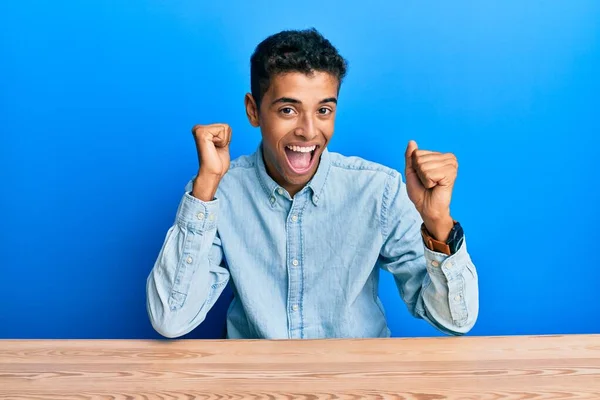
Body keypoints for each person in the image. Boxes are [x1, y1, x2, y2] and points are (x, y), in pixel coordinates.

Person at [146, 28, 479, 339]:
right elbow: (170, 320)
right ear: (253, 111)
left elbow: (455, 321)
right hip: (258, 384)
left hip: (355, 384)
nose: (308, 130)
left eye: (323, 110)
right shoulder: (221, 190)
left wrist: (438, 224)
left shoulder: (380, 191)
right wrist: (205, 188)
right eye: (288, 110)